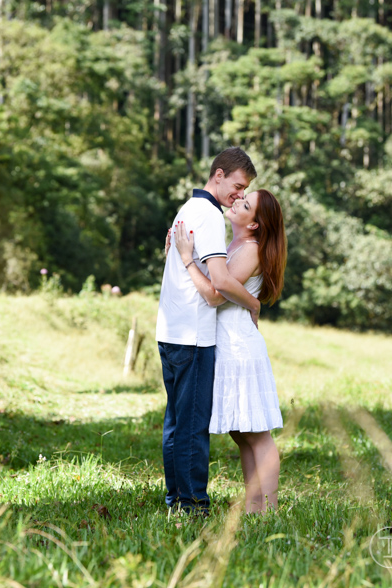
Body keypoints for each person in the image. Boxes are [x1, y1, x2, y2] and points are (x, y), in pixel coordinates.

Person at [155, 147, 261, 515]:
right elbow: (218, 286)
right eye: (237, 185)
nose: (239, 195)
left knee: (176, 423)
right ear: (218, 175)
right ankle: (193, 505)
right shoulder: (211, 216)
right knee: (193, 426)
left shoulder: (188, 209)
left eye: (244, 190)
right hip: (194, 335)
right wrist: (253, 302)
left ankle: (175, 501)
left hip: (169, 330)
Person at [171, 188, 287, 513]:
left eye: (245, 204)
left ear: (254, 225)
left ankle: (269, 506)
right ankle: (254, 507)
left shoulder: (250, 249)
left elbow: (216, 293)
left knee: (258, 434)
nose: (237, 201)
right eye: (241, 197)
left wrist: (186, 260)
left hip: (239, 347)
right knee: (241, 432)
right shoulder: (233, 243)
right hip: (228, 345)